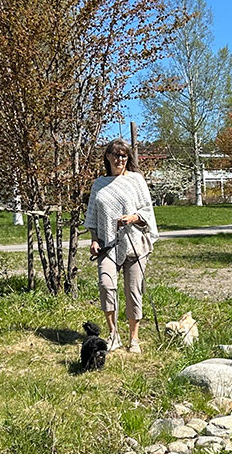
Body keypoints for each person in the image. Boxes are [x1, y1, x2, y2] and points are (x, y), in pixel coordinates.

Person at [84, 139, 158, 353]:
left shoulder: (136, 180)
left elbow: (147, 210)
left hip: (134, 243)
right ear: (108, 156)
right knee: (106, 285)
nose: (120, 159)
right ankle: (113, 333)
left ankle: (134, 338)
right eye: (116, 155)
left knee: (133, 291)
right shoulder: (99, 184)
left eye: (124, 155)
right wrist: (94, 239)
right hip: (107, 245)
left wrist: (133, 218)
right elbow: (93, 217)